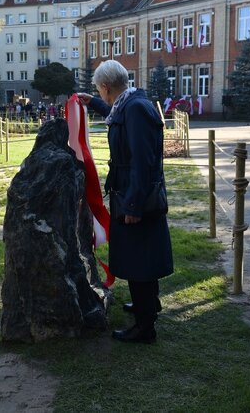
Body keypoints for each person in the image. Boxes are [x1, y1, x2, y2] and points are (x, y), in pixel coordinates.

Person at [77, 60, 174, 344]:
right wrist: (93, 102)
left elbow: (143, 163)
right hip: (132, 193)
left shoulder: (135, 110)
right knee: (139, 256)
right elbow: (117, 119)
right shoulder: (131, 104)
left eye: (99, 90)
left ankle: (145, 327)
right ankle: (148, 305)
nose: (100, 93)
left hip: (136, 197)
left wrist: (133, 205)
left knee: (138, 260)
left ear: (106, 86)